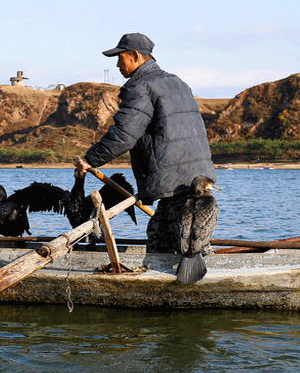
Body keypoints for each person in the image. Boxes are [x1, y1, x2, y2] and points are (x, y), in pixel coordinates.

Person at [74, 32, 217, 255]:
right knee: (173, 239)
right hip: (196, 178)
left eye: (120, 57)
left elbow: (124, 134)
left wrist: (89, 159)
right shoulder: (177, 82)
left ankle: (175, 282)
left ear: (136, 56)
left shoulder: (141, 87)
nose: (118, 64)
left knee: (166, 244)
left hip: (175, 182)